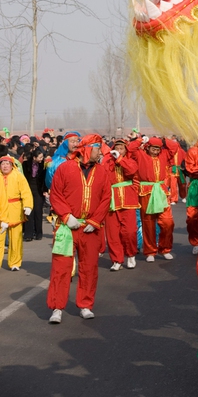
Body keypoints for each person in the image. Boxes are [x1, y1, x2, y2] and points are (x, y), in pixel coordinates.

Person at [46, 134, 111, 323]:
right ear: (87, 149)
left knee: (89, 268)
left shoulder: (102, 171)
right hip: (67, 228)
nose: (100, 152)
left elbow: (106, 198)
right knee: (61, 267)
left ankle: (85, 304)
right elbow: (56, 194)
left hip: (90, 228)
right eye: (97, 148)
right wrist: (66, 216)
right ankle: (57, 307)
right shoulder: (65, 168)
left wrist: (94, 221)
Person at [127, 136, 174, 261]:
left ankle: (165, 248)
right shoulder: (141, 155)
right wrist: (140, 140)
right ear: (148, 148)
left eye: (158, 148)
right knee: (148, 222)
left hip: (161, 190)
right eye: (153, 148)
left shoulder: (163, 155)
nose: (156, 151)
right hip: (146, 191)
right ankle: (150, 251)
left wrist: (164, 140)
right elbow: (130, 148)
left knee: (167, 222)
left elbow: (174, 147)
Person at [102, 139, 139, 271]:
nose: (118, 151)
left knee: (129, 231)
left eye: (121, 148)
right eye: (116, 148)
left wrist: (120, 159)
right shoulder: (107, 162)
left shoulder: (130, 161)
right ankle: (117, 259)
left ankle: (130, 255)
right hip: (111, 200)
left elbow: (131, 171)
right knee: (112, 233)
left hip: (128, 199)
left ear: (125, 150)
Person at [0, 155, 33, 270]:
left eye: (7, 164)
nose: (5, 166)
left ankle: (15, 262)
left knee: (16, 238)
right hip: (0, 211)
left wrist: (27, 205)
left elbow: (26, 191)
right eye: (2, 164)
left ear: (11, 165)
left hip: (15, 209)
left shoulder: (18, 176)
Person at [22, 148, 47, 241]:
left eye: (42, 157)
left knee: (38, 211)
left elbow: (45, 178)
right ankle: (28, 234)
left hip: (38, 190)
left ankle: (38, 233)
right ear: (34, 157)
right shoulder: (25, 164)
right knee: (29, 211)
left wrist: (45, 190)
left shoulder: (43, 165)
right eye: (40, 157)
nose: (41, 159)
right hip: (28, 189)